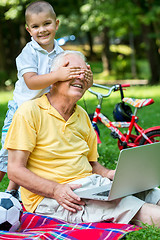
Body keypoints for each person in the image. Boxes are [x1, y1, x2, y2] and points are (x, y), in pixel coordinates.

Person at [4, 50, 160, 227]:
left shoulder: (82, 115)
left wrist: (110, 175)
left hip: (92, 186)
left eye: (84, 73)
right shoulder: (29, 112)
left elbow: (92, 164)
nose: (80, 77)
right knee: (131, 206)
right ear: (54, 77)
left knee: (152, 193)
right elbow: (15, 170)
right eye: (73, 71)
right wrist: (55, 190)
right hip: (56, 198)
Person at [0, 1, 93, 199]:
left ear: (57, 24)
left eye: (47, 24)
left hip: (44, 111)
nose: (42, 30)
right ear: (28, 30)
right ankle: (4, 190)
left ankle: (12, 193)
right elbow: (32, 82)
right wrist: (59, 74)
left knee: (29, 151)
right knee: (7, 154)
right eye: (35, 26)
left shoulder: (62, 54)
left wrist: (86, 79)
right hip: (20, 109)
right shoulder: (28, 53)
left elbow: (70, 83)